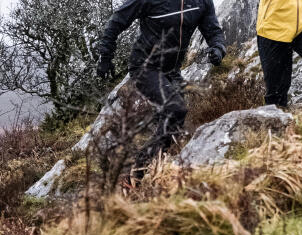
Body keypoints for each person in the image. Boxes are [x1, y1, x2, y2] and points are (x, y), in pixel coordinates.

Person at [94, 0, 226, 180]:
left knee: (176, 126)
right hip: (145, 67)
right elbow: (117, 21)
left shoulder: (201, 1)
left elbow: (213, 30)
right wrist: (105, 57)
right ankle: (137, 171)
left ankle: (157, 168)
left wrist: (218, 47)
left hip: (172, 71)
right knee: (176, 109)